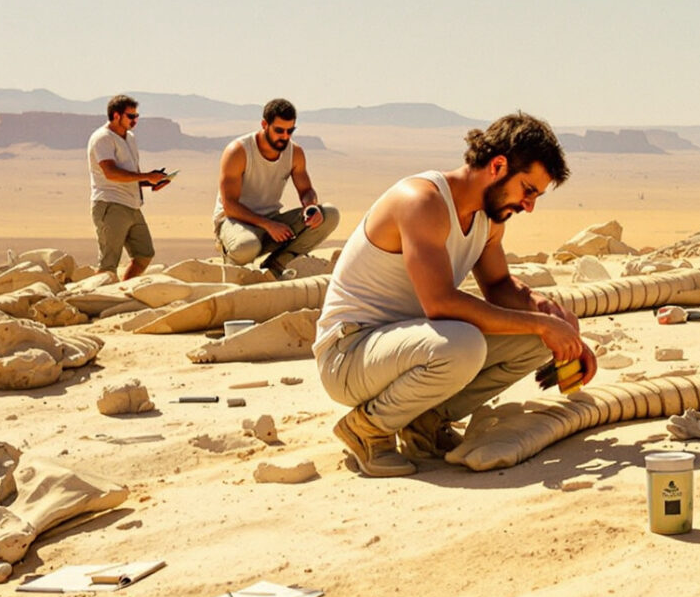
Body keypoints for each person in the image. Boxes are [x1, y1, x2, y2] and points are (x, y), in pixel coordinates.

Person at [312, 112, 592, 477]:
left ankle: (424, 423)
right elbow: (440, 303)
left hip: (407, 348)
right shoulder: (422, 201)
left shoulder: (488, 218)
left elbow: (499, 287)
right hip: (348, 355)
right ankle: (368, 430)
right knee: (463, 344)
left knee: (536, 339)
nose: (529, 206)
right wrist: (541, 323)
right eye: (527, 189)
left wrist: (553, 319)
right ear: (498, 165)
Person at [213, 98, 340, 272]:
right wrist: (268, 225)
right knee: (246, 247)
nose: (285, 136)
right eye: (279, 130)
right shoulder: (238, 152)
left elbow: (306, 190)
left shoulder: (294, 153)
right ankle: (232, 262)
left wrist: (311, 207)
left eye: (290, 131)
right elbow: (230, 207)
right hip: (236, 222)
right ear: (265, 124)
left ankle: (276, 267)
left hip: (272, 223)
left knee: (330, 214)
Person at [88, 95, 172, 281]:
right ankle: (95, 300)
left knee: (144, 254)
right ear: (116, 115)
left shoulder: (130, 138)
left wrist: (151, 182)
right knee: (108, 263)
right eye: (130, 116)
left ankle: (122, 290)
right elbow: (110, 173)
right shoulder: (103, 138)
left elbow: (130, 174)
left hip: (132, 205)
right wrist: (146, 176)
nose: (135, 120)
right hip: (111, 204)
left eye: (136, 116)